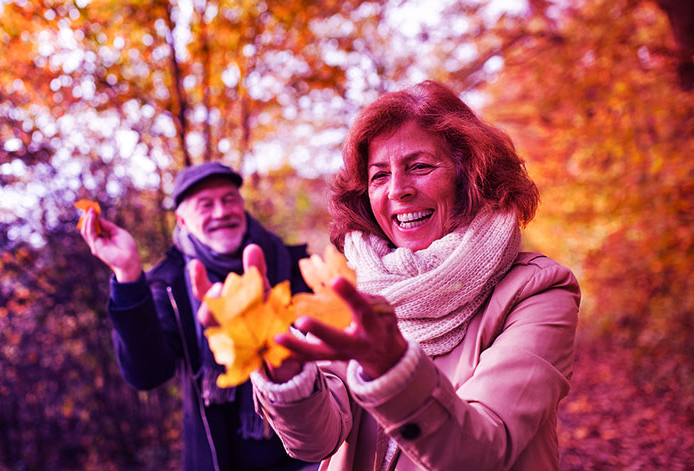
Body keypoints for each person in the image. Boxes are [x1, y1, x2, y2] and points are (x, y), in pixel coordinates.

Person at [245, 81, 580, 470]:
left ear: (469, 175)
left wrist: (394, 369)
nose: (398, 190)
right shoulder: (355, 286)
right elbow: (316, 440)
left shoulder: (538, 290)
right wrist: (284, 366)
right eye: (379, 176)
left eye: (419, 167)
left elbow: (482, 453)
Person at [79, 162, 316, 471]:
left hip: (309, 453)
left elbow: (325, 359)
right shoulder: (167, 284)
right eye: (205, 205)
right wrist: (127, 272)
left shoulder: (293, 263)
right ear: (182, 219)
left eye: (229, 199)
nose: (221, 212)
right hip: (217, 459)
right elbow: (146, 374)